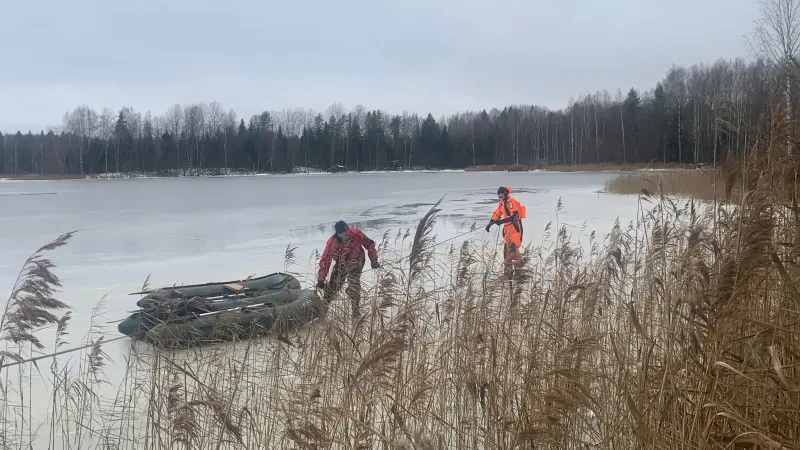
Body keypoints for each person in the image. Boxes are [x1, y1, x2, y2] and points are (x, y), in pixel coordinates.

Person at [317, 220, 380, 318]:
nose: (347, 234)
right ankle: (323, 311)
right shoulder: (331, 242)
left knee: (354, 285)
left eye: (347, 231)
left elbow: (370, 244)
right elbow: (325, 260)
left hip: (357, 260)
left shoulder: (356, 234)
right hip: (341, 262)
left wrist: (374, 260)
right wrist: (321, 279)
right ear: (338, 234)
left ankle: (355, 312)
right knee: (333, 286)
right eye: (344, 233)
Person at [485, 186, 526, 275]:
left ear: (506, 194)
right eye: (498, 195)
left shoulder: (512, 202)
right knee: (507, 250)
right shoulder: (501, 204)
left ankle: (517, 270)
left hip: (515, 227)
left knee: (513, 249)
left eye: (501, 195)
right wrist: (490, 223)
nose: (500, 197)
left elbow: (513, 216)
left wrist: (501, 221)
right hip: (507, 229)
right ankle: (510, 271)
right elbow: (497, 214)